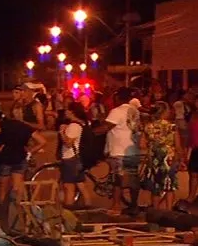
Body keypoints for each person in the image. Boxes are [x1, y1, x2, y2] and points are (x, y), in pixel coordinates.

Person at [95, 88, 141, 216]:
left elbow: (106, 127)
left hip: (119, 150)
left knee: (118, 180)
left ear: (118, 98)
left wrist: (89, 133)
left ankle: (116, 206)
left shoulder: (116, 111)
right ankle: (133, 206)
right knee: (132, 180)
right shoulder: (135, 111)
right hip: (133, 150)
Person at [0, 113, 47, 208]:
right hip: (20, 158)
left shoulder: (3, 125)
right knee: (17, 188)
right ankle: (17, 211)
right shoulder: (25, 127)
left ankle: (4, 213)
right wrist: (31, 151)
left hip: (5, 158)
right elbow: (43, 141)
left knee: (3, 188)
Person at [140, 101, 183, 210]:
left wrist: (153, 145)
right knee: (169, 186)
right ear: (164, 111)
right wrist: (181, 158)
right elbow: (178, 146)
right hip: (168, 159)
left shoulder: (148, 126)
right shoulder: (172, 127)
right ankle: (168, 211)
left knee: (155, 186)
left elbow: (142, 145)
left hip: (153, 159)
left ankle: (156, 211)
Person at [58, 102, 92, 207]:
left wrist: (62, 132)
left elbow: (68, 143)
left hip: (70, 158)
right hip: (77, 157)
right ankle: (88, 206)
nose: (65, 112)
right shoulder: (83, 123)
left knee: (69, 186)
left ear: (72, 112)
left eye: (67, 110)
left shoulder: (73, 126)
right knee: (80, 184)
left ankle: (69, 208)